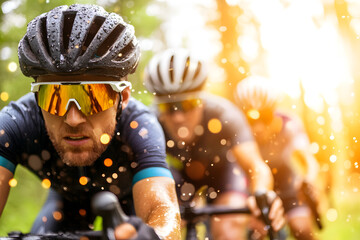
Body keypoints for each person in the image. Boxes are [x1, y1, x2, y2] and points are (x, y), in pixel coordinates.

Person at [0, 4, 181, 240]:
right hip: (65, 202)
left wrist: (154, 236)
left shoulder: (140, 127)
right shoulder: (17, 122)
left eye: (92, 98)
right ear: (36, 98)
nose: (73, 119)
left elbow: (164, 214)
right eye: (54, 98)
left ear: (122, 98)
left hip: (129, 206)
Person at [143, 48, 285, 240]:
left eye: (188, 104)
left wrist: (261, 194)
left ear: (201, 100)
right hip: (179, 176)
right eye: (167, 106)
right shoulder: (149, 120)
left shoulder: (225, 114)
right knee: (162, 226)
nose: (177, 117)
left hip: (223, 174)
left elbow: (255, 166)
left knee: (228, 229)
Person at [235, 76, 320, 240]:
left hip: (285, 180)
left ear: (274, 111)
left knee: (302, 230)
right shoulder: (234, 129)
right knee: (256, 233)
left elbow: (308, 159)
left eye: (265, 117)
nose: (258, 127)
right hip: (251, 182)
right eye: (251, 119)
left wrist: (308, 180)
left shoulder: (289, 124)